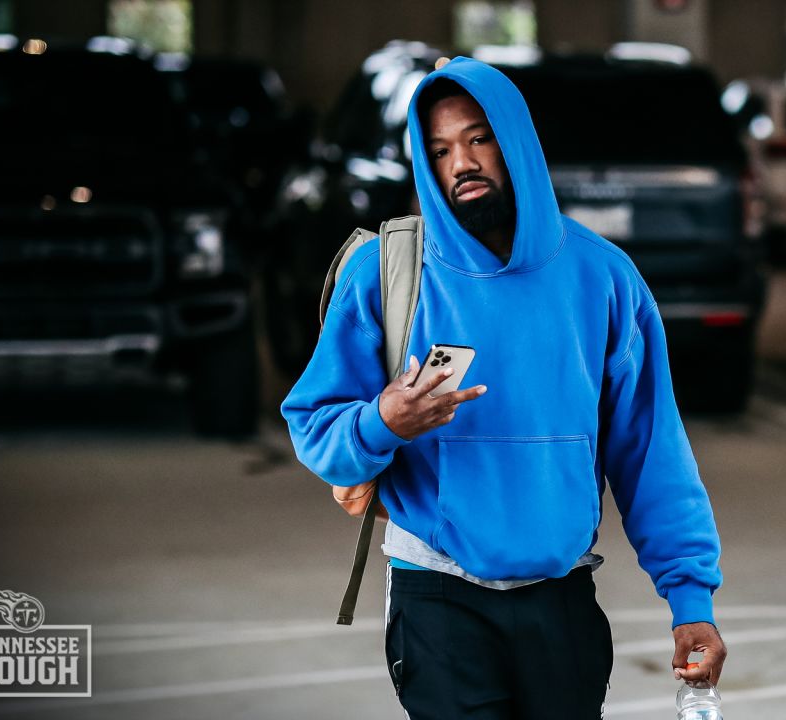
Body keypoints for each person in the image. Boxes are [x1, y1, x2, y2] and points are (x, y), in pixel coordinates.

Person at [281, 56, 726, 719]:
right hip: (437, 593)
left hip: (561, 594)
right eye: (438, 150)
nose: (460, 162)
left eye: (477, 138)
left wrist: (691, 600)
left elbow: (651, 451)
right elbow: (317, 429)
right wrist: (383, 423)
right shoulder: (383, 272)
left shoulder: (603, 277)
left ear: (514, 139)